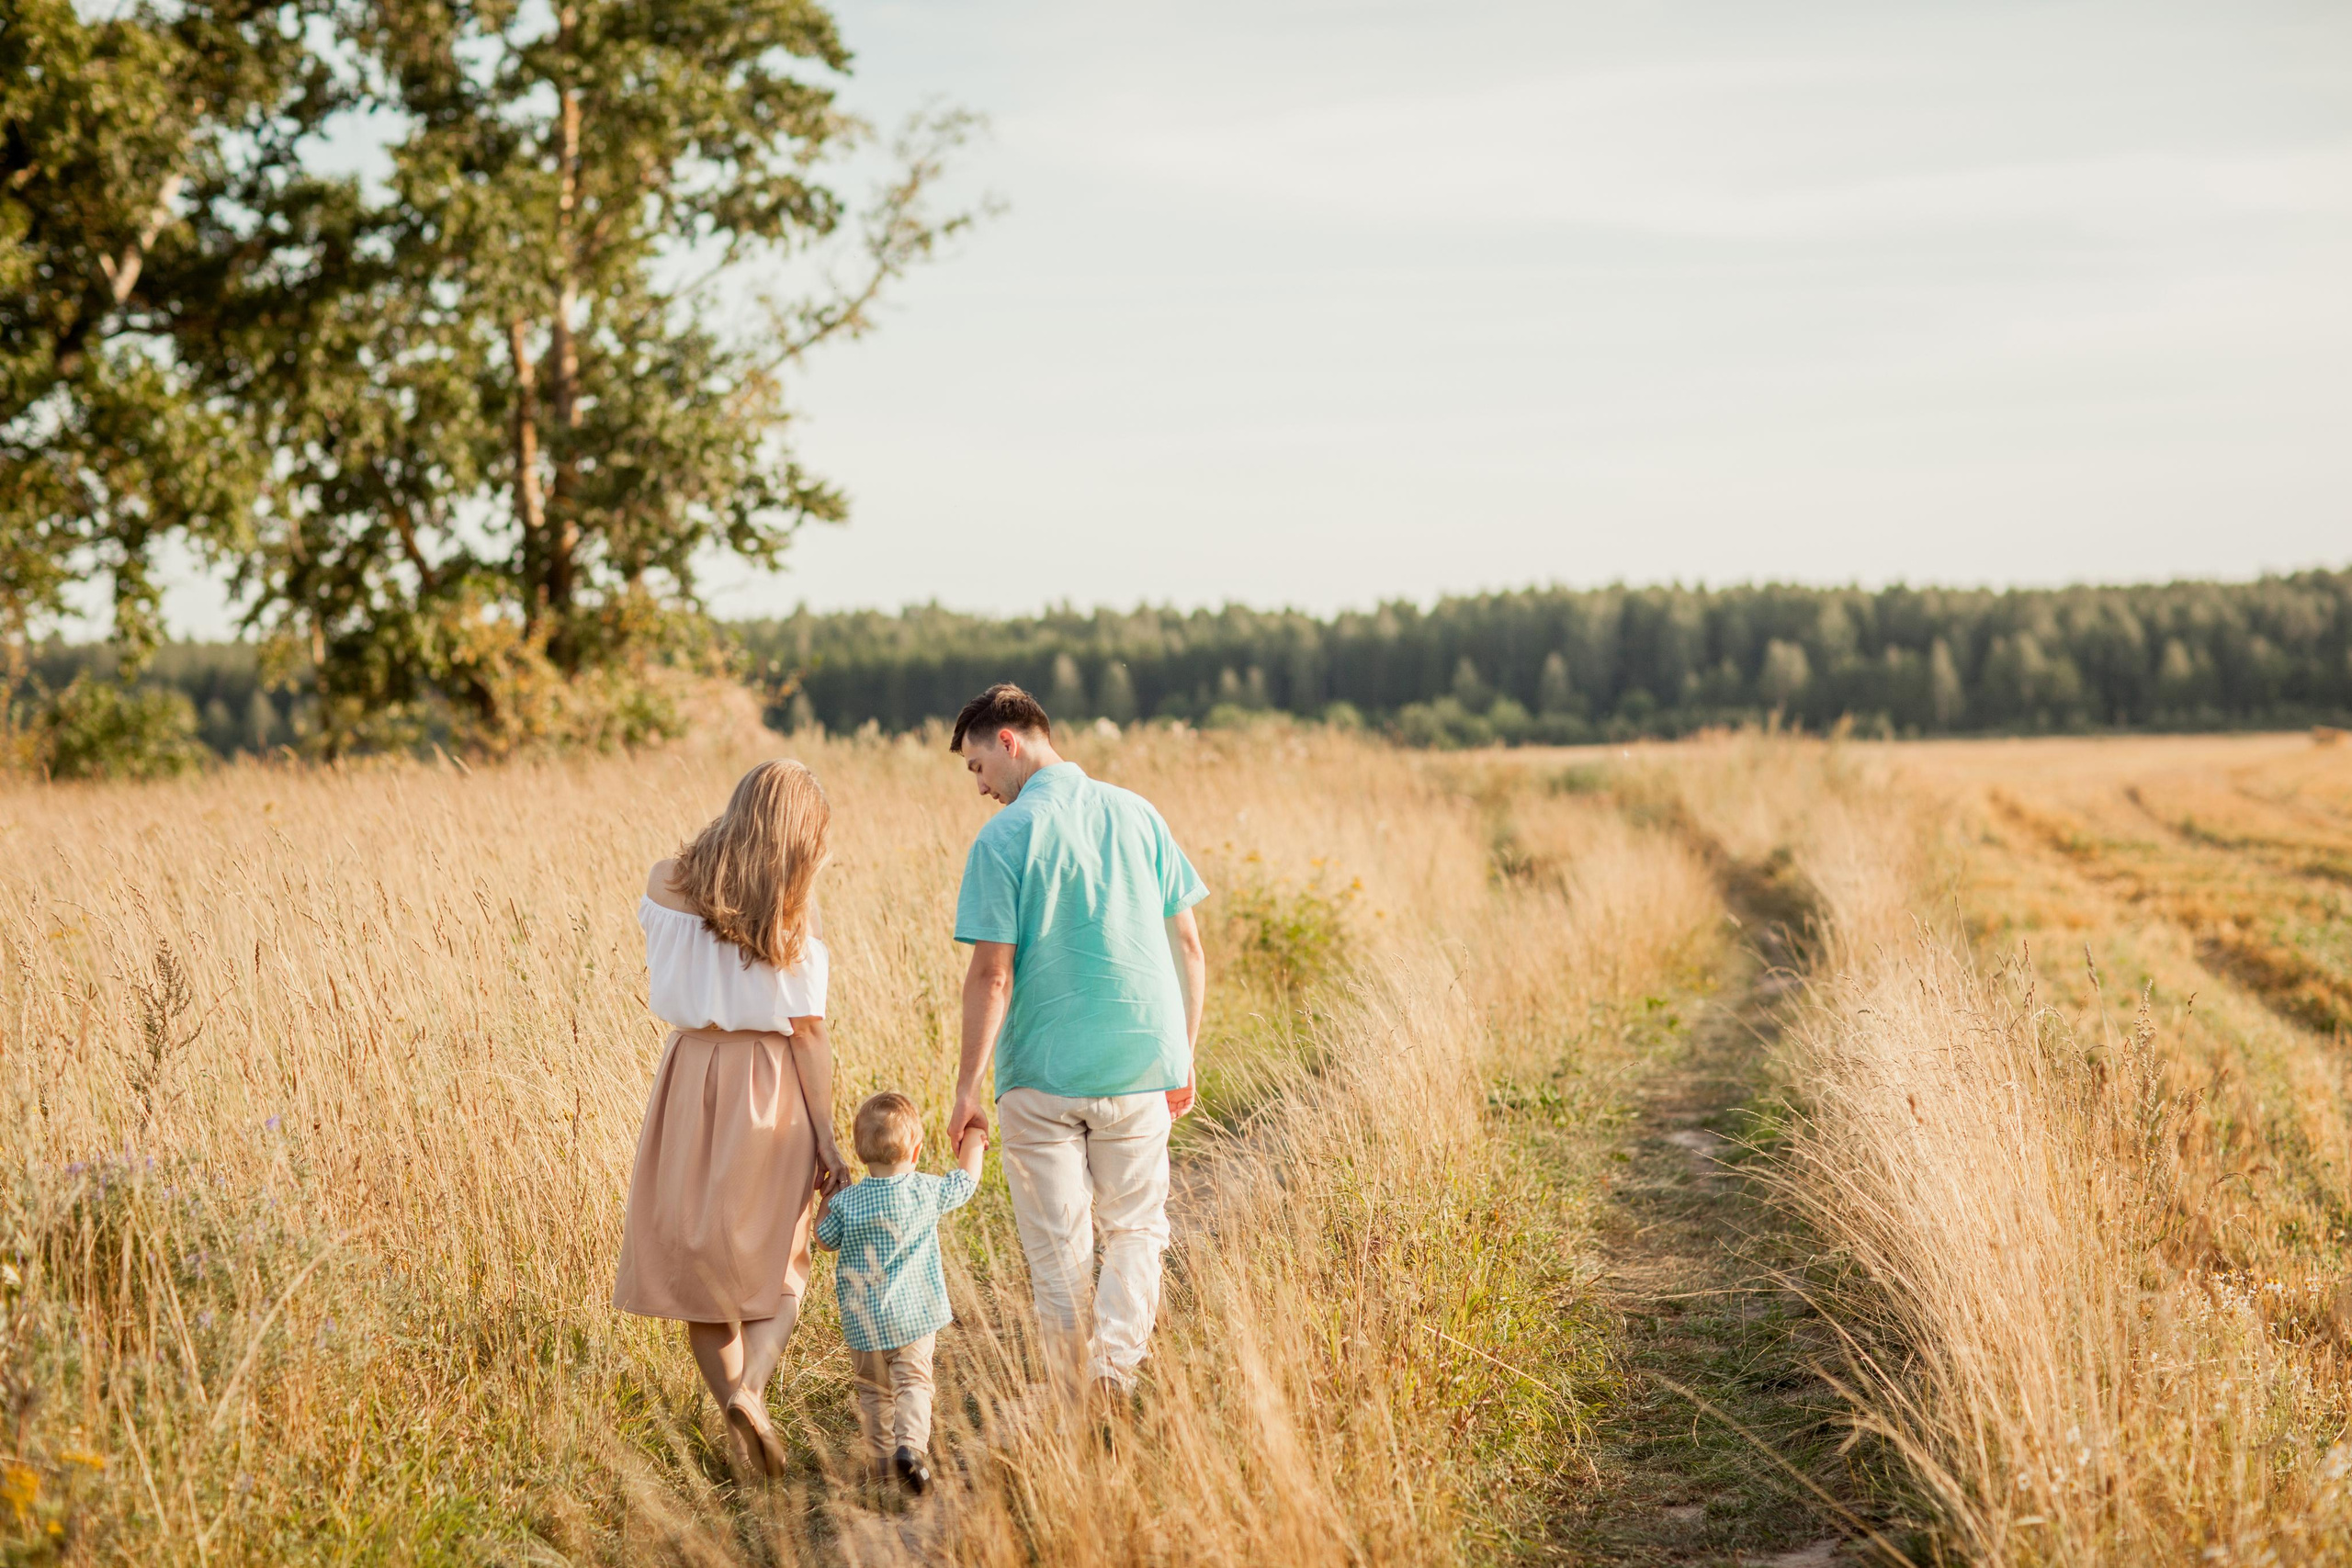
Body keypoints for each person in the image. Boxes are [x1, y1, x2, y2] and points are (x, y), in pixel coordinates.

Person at [944, 683, 1209, 1401]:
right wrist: (1181, 1050)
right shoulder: (1139, 813)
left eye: (977, 767)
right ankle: (1114, 1373)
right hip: (1139, 1064)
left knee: (1058, 1251)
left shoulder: (1003, 838)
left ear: (1009, 741)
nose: (980, 787)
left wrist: (967, 1089)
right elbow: (1188, 945)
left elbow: (992, 975)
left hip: (1039, 1074)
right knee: (1136, 1228)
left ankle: (1069, 1398)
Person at [612, 759, 851, 1479]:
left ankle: (743, 1436)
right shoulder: (793, 919)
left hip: (689, 1078)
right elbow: (808, 1035)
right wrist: (828, 1140)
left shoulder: (665, 883)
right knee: (785, 1256)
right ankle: (753, 1388)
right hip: (770, 1083)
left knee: (701, 1272)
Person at [813, 1091, 988, 1494]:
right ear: (917, 1150)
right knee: (913, 1384)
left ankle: (880, 1466)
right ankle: (909, 1448)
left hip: (862, 1324)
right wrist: (974, 1137)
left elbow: (823, 1239)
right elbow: (966, 1182)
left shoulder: (849, 1203)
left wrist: (828, 1197)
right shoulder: (925, 1190)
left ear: (860, 1154)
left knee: (874, 1394)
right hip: (913, 1319)